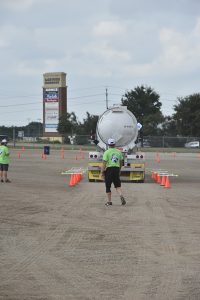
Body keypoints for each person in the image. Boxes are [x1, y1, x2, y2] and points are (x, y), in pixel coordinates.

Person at [101, 138, 126, 206]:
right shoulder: (119, 152)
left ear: (108, 145)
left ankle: (109, 201)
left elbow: (104, 163)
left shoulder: (107, 152)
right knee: (117, 185)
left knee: (108, 186)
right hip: (116, 169)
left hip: (109, 169)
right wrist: (119, 170)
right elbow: (121, 162)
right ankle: (121, 195)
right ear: (114, 144)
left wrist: (102, 172)